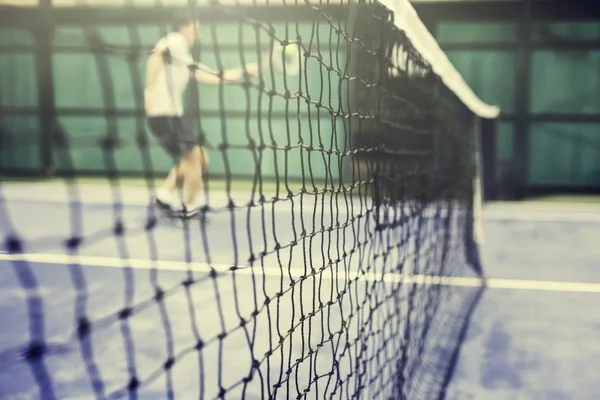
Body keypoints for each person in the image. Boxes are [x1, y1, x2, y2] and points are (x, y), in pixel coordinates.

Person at [145, 11, 262, 218]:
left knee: (199, 159)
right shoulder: (175, 40)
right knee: (196, 157)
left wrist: (244, 70)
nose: (198, 31)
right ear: (184, 26)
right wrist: (150, 89)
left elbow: (214, 77)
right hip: (163, 114)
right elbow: (155, 56)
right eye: (195, 26)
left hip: (171, 116)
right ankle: (189, 209)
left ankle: (164, 194)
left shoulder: (183, 58)